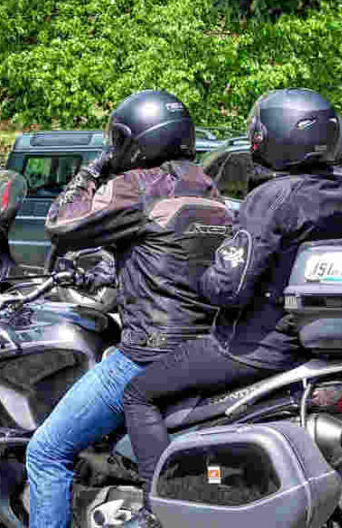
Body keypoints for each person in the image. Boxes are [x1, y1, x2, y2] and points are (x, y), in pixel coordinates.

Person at [120, 89, 342, 527]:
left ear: (274, 135)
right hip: (318, 343)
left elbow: (229, 288)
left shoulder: (273, 197)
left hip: (253, 347)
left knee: (138, 394)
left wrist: (202, 277)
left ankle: (154, 509)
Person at [26, 90, 233, 528]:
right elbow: (169, 259)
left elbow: (61, 225)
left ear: (132, 139)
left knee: (45, 452)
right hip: (204, 352)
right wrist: (109, 272)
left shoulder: (137, 186)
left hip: (146, 354)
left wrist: (96, 166)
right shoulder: (208, 189)